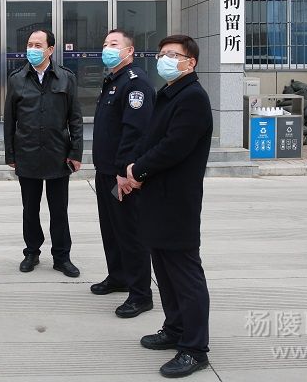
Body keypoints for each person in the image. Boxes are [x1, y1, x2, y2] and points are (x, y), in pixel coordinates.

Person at [122, 34, 213, 379]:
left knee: (185, 275)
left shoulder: (193, 98)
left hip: (176, 201)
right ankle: (174, 329)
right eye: (162, 53)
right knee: (164, 270)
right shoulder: (170, 93)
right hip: (156, 198)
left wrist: (139, 169)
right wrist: (133, 166)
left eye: (173, 54)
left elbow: (174, 146)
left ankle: (195, 348)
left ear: (190, 62)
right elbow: (151, 139)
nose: (165, 59)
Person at [4, 29, 83, 277]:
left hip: (58, 154)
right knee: (30, 209)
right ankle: (31, 252)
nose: (32, 49)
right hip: (26, 154)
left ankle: (62, 257)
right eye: (30, 44)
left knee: (59, 210)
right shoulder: (17, 78)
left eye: (38, 45)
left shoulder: (66, 78)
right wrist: (11, 155)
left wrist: (76, 152)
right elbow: (10, 120)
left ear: (50, 49)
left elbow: (75, 118)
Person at [91, 29, 154, 318]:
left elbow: (135, 131)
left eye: (114, 44)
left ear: (129, 51)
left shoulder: (135, 83)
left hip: (122, 175)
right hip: (106, 171)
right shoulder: (113, 81)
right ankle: (118, 276)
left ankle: (140, 294)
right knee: (111, 229)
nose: (107, 48)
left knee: (130, 233)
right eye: (105, 44)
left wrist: (123, 170)